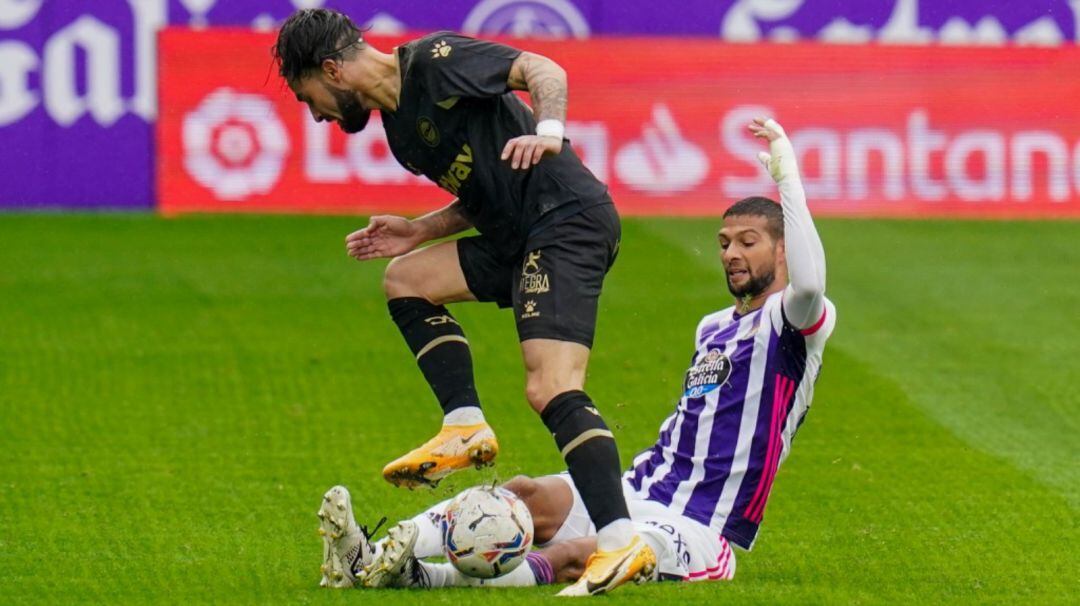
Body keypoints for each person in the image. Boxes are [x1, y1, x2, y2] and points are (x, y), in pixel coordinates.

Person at [315, 117, 837, 594]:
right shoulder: (713, 327)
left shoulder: (795, 323)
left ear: (784, 249)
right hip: (637, 487)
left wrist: (788, 178)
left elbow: (810, 284)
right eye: (725, 242)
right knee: (522, 495)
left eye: (748, 242)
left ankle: (420, 577)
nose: (731, 253)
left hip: (698, 526)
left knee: (575, 554)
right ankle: (371, 554)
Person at [273, 8, 652, 594]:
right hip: (517, 234)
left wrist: (548, 132)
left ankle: (620, 541)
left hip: (566, 221)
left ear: (332, 70)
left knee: (550, 385)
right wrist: (420, 231)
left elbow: (542, 69)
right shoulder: (401, 132)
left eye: (308, 96)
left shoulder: (433, 62)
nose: (316, 113)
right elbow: (483, 194)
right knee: (406, 279)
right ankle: (464, 426)